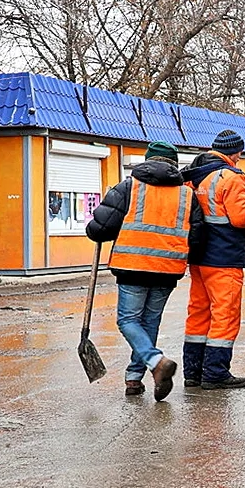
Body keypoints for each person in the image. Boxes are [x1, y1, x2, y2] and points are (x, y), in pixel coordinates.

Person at [84, 141, 191, 400]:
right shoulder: (187, 194)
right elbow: (197, 235)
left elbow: (100, 228)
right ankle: (134, 378)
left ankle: (155, 362)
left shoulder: (128, 187)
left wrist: (94, 228)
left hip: (133, 266)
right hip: (169, 267)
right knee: (150, 321)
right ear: (174, 165)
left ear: (147, 161)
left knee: (128, 320)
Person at [182, 130, 245, 390]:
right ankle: (216, 373)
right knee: (224, 314)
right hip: (224, 257)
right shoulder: (230, 177)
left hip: (198, 257)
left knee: (198, 313)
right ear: (235, 152)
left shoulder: (194, 176)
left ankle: (193, 373)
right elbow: (241, 217)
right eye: (239, 154)